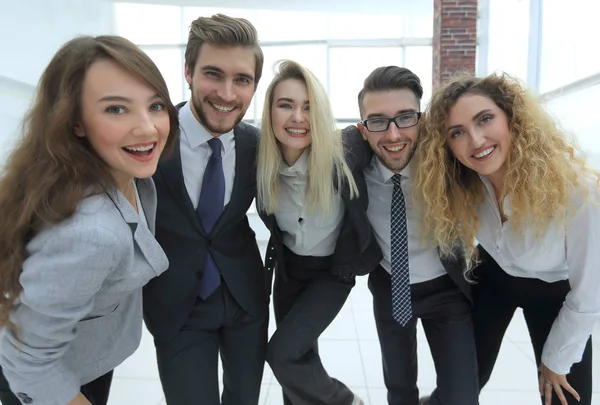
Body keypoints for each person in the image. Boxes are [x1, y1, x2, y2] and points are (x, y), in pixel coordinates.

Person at [0, 35, 178, 405]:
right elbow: (29, 362)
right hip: (45, 379)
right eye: (116, 109)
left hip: (85, 355)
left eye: (156, 105)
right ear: (76, 121)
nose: (148, 128)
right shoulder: (90, 233)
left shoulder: (125, 173)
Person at [414, 72, 599, 405]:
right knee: (463, 382)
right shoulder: (466, 180)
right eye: (457, 132)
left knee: (567, 396)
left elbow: (590, 295)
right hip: (494, 277)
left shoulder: (579, 191)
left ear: (512, 118)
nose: (476, 140)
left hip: (555, 294)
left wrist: (556, 360)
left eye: (485, 119)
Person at [142, 14, 268, 405]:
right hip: (178, 306)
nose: (228, 94)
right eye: (213, 74)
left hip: (245, 299)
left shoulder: (257, 145)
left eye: (242, 80)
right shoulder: (150, 138)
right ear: (188, 72)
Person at [343, 66, 479, 405]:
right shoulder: (354, 171)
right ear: (363, 129)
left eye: (405, 118)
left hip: (447, 291)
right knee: (399, 390)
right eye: (377, 121)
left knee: (462, 395)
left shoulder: (447, 163)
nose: (392, 135)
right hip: (390, 289)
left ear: (422, 120)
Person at [257, 60, 381, 405]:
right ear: (269, 112)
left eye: (309, 107)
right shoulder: (259, 161)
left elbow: (390, 138)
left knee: (282, 354)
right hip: (288, 272)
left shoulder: (346, 151)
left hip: (332, 274)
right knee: (298, 365)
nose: (298, 117)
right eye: (286, 105)